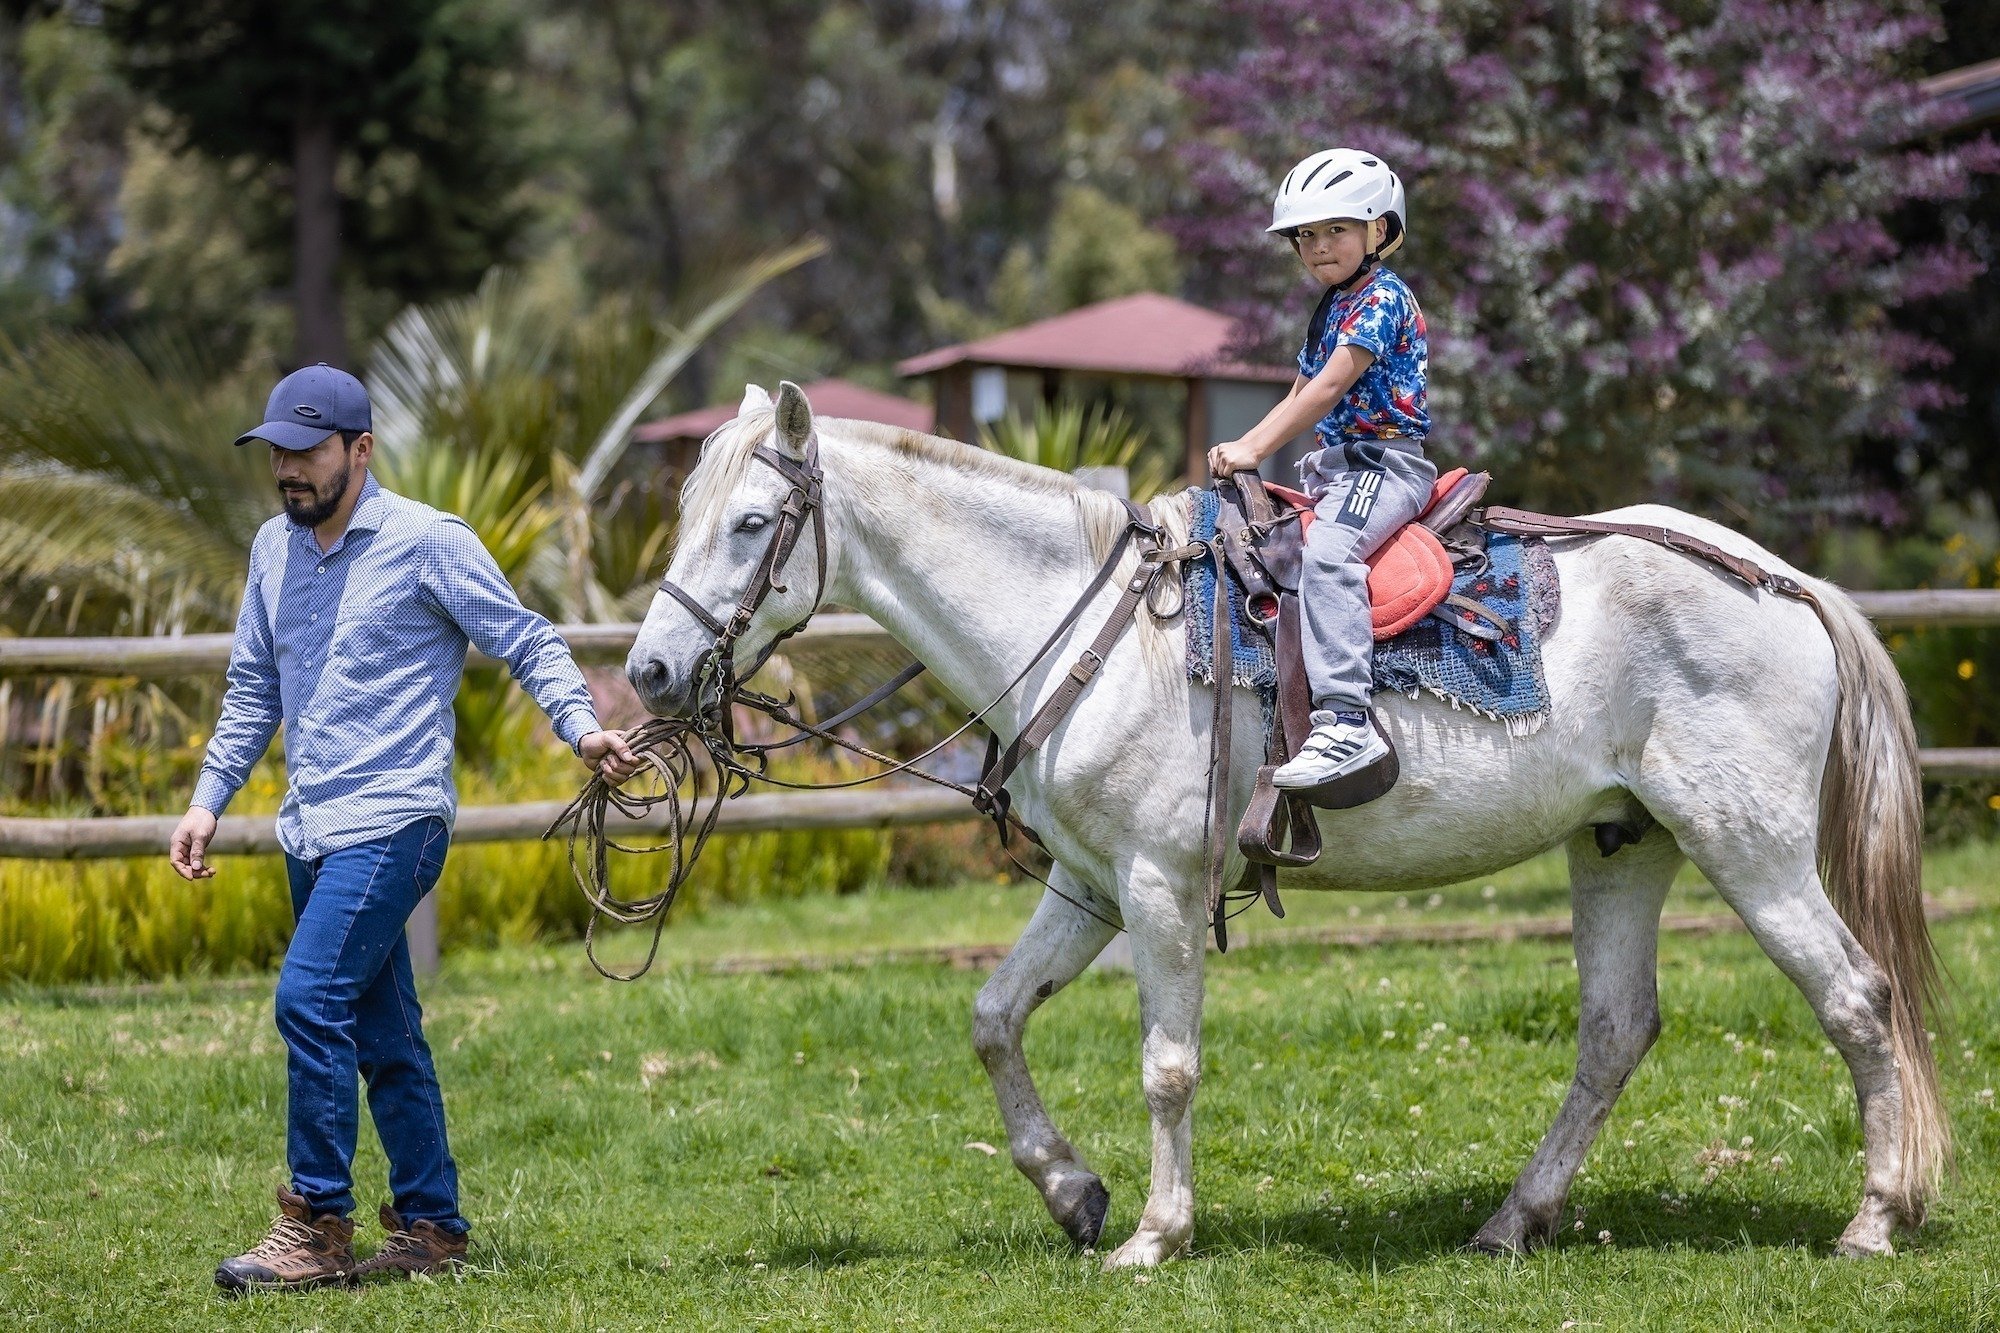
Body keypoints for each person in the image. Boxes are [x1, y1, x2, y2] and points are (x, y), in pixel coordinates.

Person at [168, 363, 644, 1292]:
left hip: (397, 819)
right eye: (278, 454)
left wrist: (581, 726)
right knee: (385, 1031)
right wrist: (206, 798)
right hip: (310, 828)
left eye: (307, 452)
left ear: (360, 449)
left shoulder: (429, 541)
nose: (289, 471)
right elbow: (253, 689)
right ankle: (434, 1227)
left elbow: (528, 637)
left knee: (307, 998)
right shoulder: (274, 548)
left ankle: (315, 1225)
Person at [1207, 148, 1435, 790]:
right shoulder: (1332, 307)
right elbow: (1298, 391)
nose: (1317, 246)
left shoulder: (1383, 298)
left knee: (1330, 555)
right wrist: (1248, 445)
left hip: (1383, 463)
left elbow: (1328, 389)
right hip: (1332, 467)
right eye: (1304, 236)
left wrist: (1251, 450)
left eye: (1336, 229)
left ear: (1380, 231)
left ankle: (1346, 723)